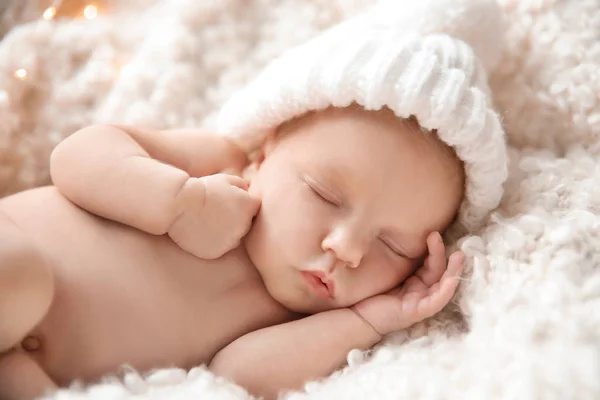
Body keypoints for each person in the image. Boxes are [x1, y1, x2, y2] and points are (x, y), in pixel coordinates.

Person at [0, 0, 507, 399]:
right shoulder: (216, 163)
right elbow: (76, 156)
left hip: (23, 364)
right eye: (324, 194)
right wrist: (177, 203)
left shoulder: (297, 318)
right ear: (266, 153)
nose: (347, 248)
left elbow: (237, 378)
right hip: (13, 256)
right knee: (17, 276)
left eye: (394, 247)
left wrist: (369, 321)